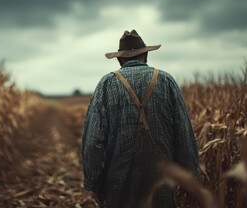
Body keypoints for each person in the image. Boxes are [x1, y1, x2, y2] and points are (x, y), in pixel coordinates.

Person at [81, 30, 201, 207]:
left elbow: (93, 142)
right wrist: (191, 179)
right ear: (145, 55)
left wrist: (94, 183)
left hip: (118, 188)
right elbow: (183, 135)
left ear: (120, 59)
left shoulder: (106, 85)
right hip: (162, 186)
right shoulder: (167, 81)